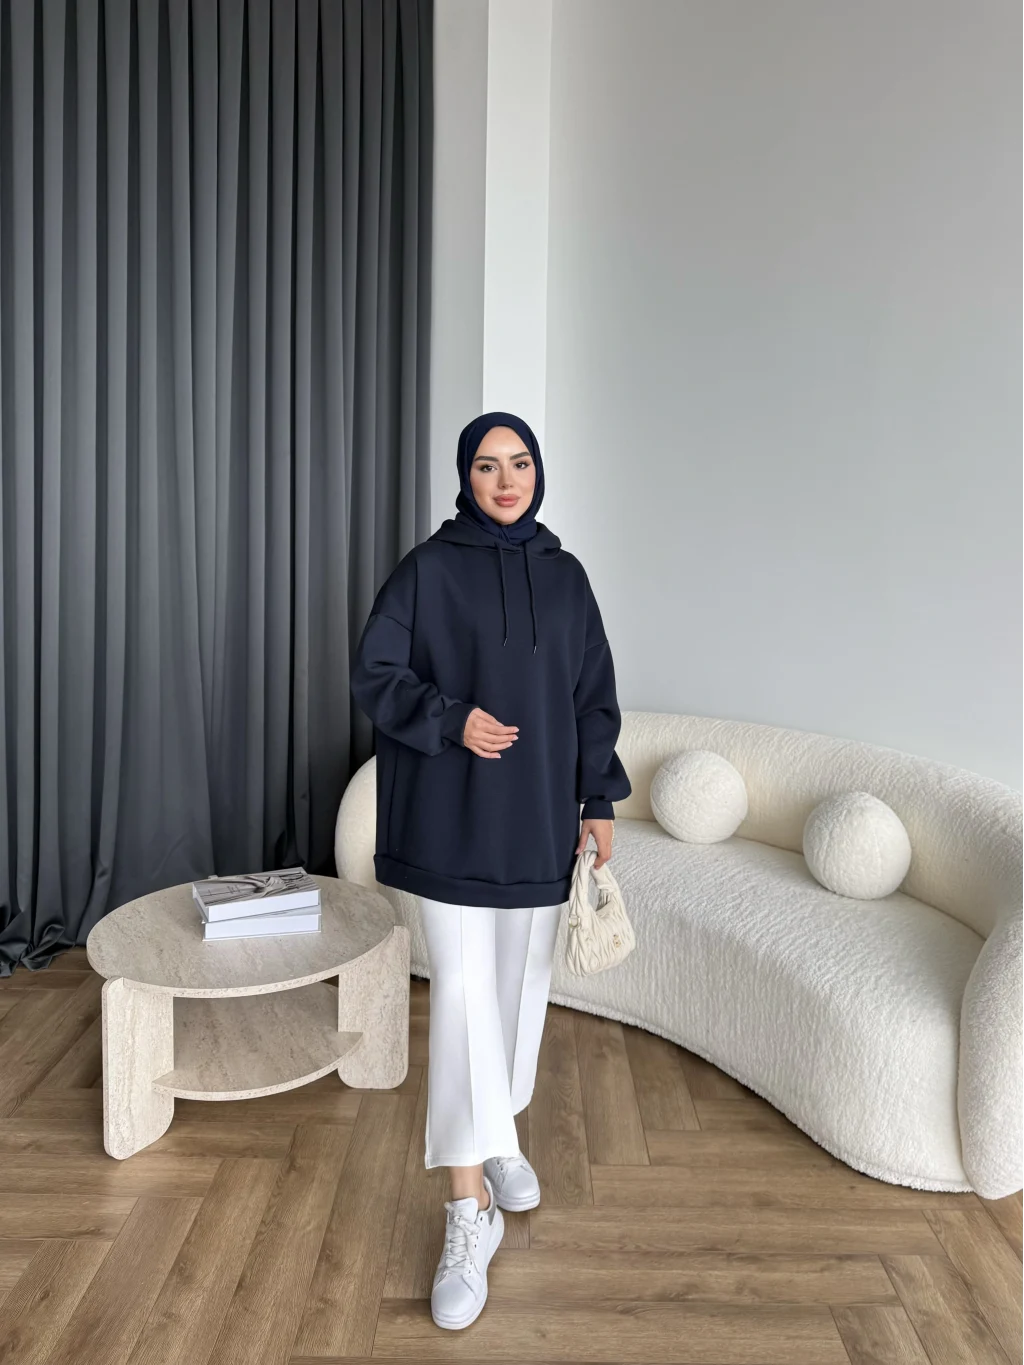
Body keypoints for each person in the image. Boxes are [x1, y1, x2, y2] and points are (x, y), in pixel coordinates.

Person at [349, 411, 631, 1330]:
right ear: (464, 477)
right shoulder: (427, 570)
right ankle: (468, 1208)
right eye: (485, 465)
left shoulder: (567, 577)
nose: (505, 480)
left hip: (540, 825)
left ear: (537, 473)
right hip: (450, 825)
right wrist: (449, 717)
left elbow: (593, 698)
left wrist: (598, 799)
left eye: (518, 464)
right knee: (466, 997)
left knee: (521, 990)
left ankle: (499, 1132)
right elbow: (375, 671)